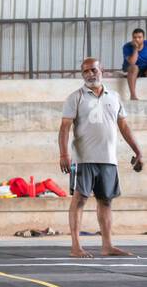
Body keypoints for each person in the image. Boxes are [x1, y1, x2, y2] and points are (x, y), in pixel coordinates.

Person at [59, 57, 143, 258]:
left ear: (101, 70)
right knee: (79, 200)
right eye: (86, 71)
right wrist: (64, 154)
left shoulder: (113, 97)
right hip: (83, 159)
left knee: (106, 201)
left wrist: (138, 151)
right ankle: (76, 247)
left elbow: (123, 126)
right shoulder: (75, 97)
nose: (90, 74)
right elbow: (64, 128)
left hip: (108, 159)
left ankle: (107, 246)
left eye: (93, 70)